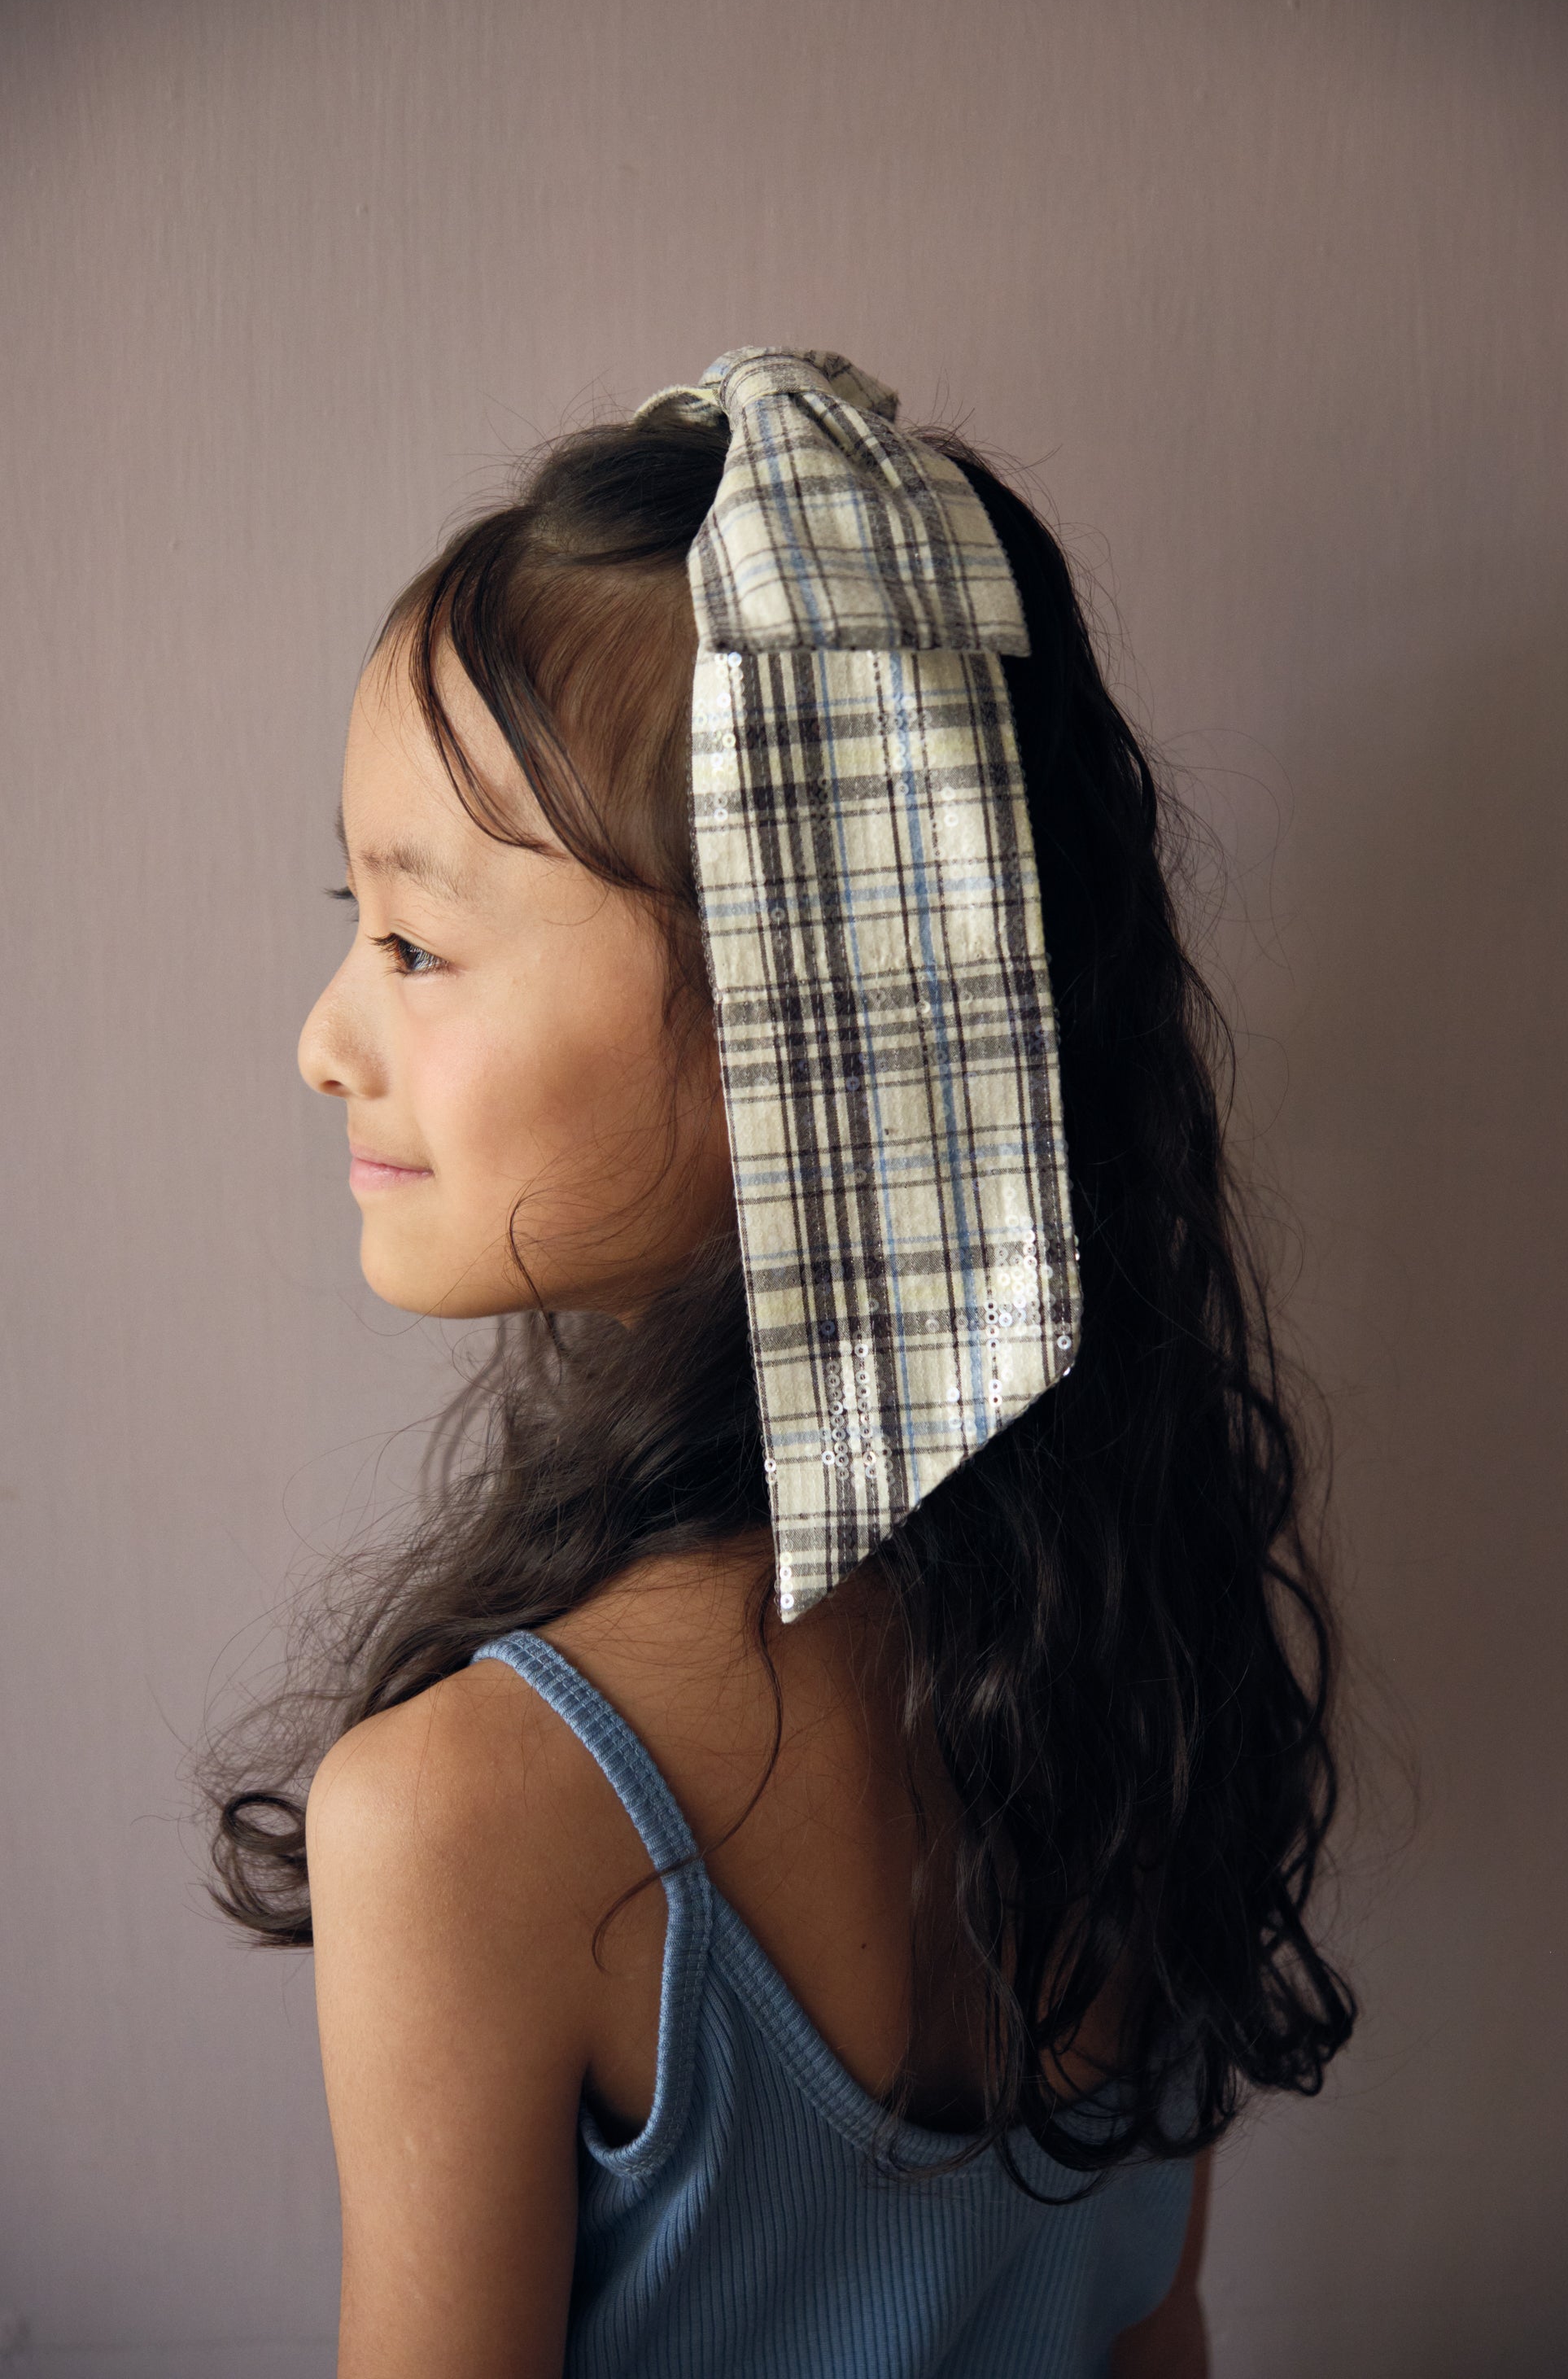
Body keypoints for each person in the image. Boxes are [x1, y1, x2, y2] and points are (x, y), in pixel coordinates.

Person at [207, 349, 1354, 2377]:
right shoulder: (1141, 1664)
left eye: (414, 945)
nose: (323, 1040)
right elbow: (1153, 2337)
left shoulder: (466, 1819)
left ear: (793, 1014)